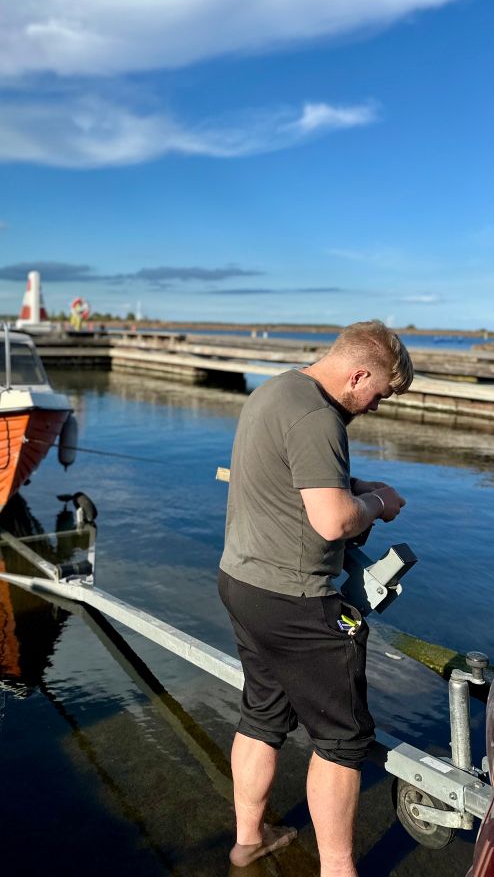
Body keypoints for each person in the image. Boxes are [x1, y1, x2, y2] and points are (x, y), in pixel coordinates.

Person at [218, 320, 413, 875]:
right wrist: (378, 503)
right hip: (294, 600)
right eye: (379, 394)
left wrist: (361, 489)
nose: (376, 407)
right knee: (342, 741)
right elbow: (331, 522)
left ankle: (247, 841)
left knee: (262, 714)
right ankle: (338, 871)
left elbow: (287, 479)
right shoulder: (320, 418)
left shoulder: (277, 390)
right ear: (357, 375)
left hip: (241, 583)